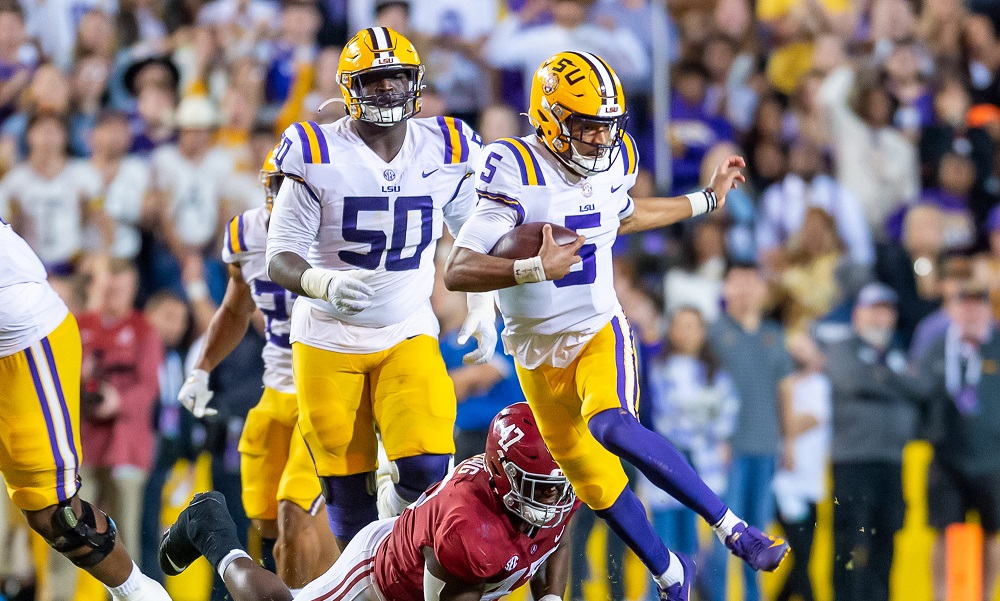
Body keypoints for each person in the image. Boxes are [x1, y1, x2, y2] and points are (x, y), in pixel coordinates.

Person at [443, 51, 788, 600]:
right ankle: (672, 574)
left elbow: (623, 214)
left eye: (606, 127)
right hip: (534, 353)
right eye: (585, 126)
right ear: (549, 118)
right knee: (594, 484)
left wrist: (704, 200)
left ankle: (734, 529)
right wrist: (533, 266)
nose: (600, 140)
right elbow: (459, 268)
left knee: (610, 424)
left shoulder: (616, 158)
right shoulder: (513, 166)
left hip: (596, 326)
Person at [264, 27, 496, 549]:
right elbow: (278, 256)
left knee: (429, 468)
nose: (389, 90)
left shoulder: (447, 144)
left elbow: (476, 232)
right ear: (351, 87)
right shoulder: (314, 148)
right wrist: (320, 281)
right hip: (327, 338)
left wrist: (482, 301)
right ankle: (365, 578)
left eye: (397, 78)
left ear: (415, 82)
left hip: (405, 327)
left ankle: (401, 554)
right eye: (376, 79)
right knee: (347, 499)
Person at [159, 402, 578, 601]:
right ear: (503, 474)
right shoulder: (470, 529)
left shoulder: (557, 487)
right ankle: (211, 527)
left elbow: (555, 538)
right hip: (383, 579)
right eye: (539, 486)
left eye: (557, 487)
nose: (552, 498)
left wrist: (551, 599)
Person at [177, 149, 336, 590]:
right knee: (267, 524)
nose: (286, 197)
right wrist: (204, 367)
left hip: (331, 388)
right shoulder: (245, 233)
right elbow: (234, 308)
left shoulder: (340, 228)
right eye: (278, 185)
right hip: (275, 391)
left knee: (297, 516)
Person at [0, 217, 170, 600]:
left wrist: (117, 401)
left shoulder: (141, 329)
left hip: (24, 341)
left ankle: (139, 592)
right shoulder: (90, 322)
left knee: (58, 515)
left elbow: (148, 386)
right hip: (89, 437)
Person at [824, 283, 923, 601]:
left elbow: (921, 389)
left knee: (886, 536)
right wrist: (897, 384)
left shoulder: (895, 353)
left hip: (892, 460)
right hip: (853, 460)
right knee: (851, 540)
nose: (880, 318)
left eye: (886, 310)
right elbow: (852, 381)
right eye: (873, 309)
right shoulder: (843, 348)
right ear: (857, 314)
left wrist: (881, 378)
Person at [918, 284, 1000, 601]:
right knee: (943, 531)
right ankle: (941, 596)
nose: (971, 312)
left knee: (993, 533)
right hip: (946, 455)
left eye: (978, 306)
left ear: (988, 311)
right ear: (953, 311)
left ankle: (987, 596)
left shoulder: (996, 347)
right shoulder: (937, 347)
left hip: (992, 456)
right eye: (965, 305)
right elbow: (918, 391)